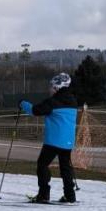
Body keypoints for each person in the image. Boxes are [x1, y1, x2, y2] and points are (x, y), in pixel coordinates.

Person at [20, 73, 79, 203]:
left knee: (42, 165)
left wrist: (23, 104)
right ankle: (70, 196)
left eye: (51, 87)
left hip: (53, 141)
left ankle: (44, 194)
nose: (49, 89)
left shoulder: (53, 102)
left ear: (57, 88)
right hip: (67, 142)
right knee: (65, 168)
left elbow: (35, 110)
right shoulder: (73, 101)